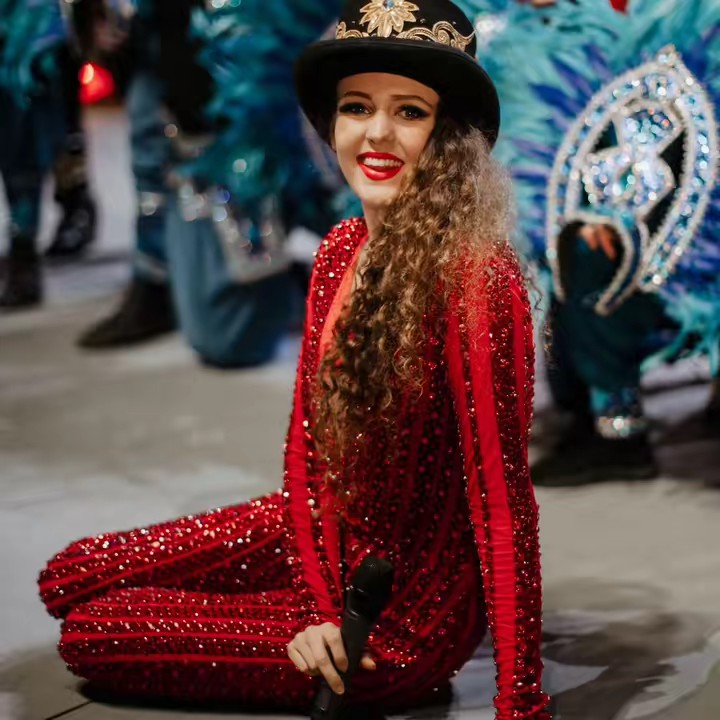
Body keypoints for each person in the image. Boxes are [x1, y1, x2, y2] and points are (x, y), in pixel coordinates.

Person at [38, 0, 550, 716]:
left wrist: (520, 701)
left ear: (448, 136)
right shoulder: (340, 250)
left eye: (409, 112)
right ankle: (286, 603)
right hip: (321, 540)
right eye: (356, 107)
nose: (376, 133)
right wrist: (314, 609)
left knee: (98, 631)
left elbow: (501, 507)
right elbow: (307, 463)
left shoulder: (475, 280)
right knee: (72, 577)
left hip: (401, 620)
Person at [480, 0, 720, 483]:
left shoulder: (685, 27)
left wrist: (621, 221)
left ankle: (618, 436)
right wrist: (602, 214)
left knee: (591, 258)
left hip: (685, 245)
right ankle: (590, 421)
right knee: (569, 255)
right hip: (613, 214)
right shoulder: (574, 41)